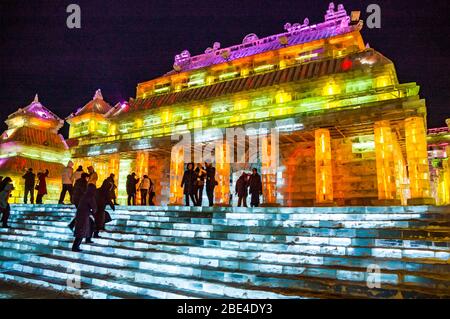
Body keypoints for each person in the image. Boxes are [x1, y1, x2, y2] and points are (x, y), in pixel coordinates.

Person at [72, 184, 96, 252]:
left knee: (81, 230)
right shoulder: (90, 196)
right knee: (81, 231)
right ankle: (75, 247)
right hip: (84, 215)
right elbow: (94, 208)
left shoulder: (84, 195)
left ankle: (76, 246)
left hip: (80, 214)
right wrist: (93, 210)